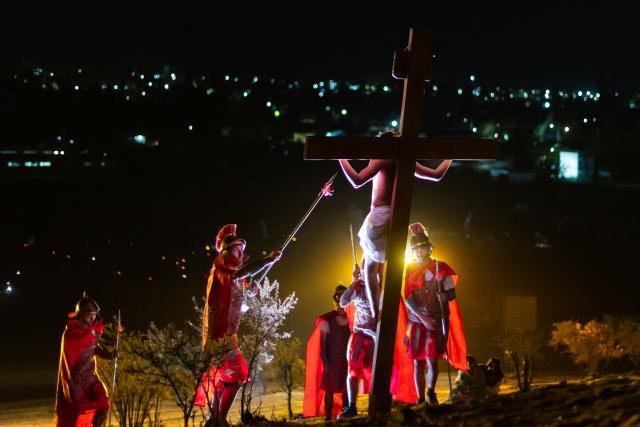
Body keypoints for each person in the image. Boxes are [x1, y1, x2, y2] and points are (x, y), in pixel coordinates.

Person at [338, 132, 452, 321]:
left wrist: (341, 158)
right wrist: (450, 156)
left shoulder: (382, 158)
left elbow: (357, 181)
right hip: (399, 218)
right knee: (382, 269)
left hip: (380, 215)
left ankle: (377, 314)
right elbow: (437, 175)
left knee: (370, 269)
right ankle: (385, 308)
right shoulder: (406, 161)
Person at [194, 224, 282, 426]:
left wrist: (249, 294)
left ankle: (214, 420)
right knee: (239, 373)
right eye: (235, 250)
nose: (240, 254)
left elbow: (239, 301)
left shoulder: (233, 276)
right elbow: (240, 274)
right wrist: (267, 260)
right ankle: (217, 418)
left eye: (242, 250)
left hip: (228, 336)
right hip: (220, 337)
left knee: (227, 376)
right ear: (224, 252)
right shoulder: (220, 270)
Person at [398, 223, 467, 406]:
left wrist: (445, 295)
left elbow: (451, 293)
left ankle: (431, 393)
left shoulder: (440, 267)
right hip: (417, 322)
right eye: (416, 249)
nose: (420, 252)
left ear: (428, 249)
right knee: (417, 363)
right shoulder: (410, 269)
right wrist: (422, 317)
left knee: (432, 360)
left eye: (422, 248)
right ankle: (420, 399)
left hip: (435, 321)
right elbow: (408, 298)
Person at [54, 292, 117, 427]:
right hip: (75, 380)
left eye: (94, 314)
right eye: (89, 314)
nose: (92, 317)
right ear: (81, 315)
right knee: (77, 412)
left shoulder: (95, 329)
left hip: (90, 377)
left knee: (104, 403)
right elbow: (76, 348)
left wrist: (109, 355)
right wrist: (89, 332)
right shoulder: (70, 333)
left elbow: (94, 347)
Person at [303, 285, 351, 420]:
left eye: (344, 294)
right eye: (339, 295)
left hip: (347, 360)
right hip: (332, 360)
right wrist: (325, 362)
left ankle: (346, 414)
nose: (341, 297)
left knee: (347, 390)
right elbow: (322, 344)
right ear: (335, 298)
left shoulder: (352, 318)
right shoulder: (328, 319)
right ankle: (329, 418)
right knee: (329, 390)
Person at [337, 263, 376, 419]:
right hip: (360, 335)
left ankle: (376, 405)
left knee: (376, 373)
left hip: (376, 337)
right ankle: (352, 406)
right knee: (352, 372)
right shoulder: (358, 288)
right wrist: (354, 281)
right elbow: (343, 302)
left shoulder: (380, 287)